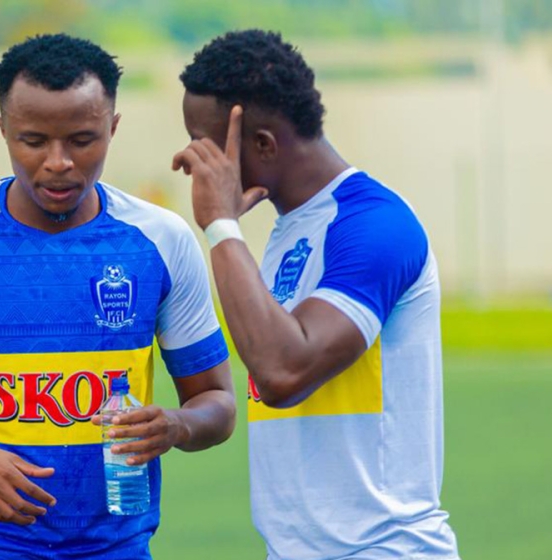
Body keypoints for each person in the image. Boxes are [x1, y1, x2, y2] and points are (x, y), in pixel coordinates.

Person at [0, 33, 235, 560]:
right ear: (3, 129)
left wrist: (177, 425)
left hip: (116, 546)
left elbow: (216, 402)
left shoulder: (162, 240)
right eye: (33, 141)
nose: (58, 162)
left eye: (82, 139)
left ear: (112, 127)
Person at [172, 30, 460, 560]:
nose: (193, 161)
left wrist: (219, 225)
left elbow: (283, 372)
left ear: (263, 145)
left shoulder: (374, 224)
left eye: (206, 145)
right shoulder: (290, 230)